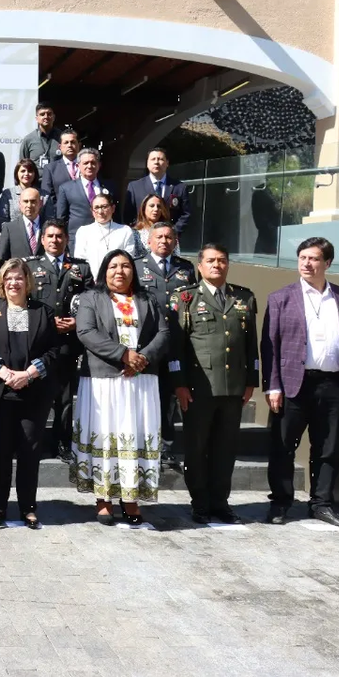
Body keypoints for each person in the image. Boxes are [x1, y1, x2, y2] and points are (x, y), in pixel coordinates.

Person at [261, 237, 339, 528]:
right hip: (294, 384)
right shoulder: (280, 298)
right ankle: (280, 503)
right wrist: (273, 385)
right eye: (302, 258)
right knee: (283, 446)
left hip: (334, 385)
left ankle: (321, 503)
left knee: (328, 447)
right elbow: (269, 345)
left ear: (328, 263)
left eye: (314, 259)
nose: (307, 264)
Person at [73, 249, 171, 526]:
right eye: (114, 266)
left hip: (140, 382)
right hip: (104, 382)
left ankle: (130, 498)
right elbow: (86, 332)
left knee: (134, 435)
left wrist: (142, 359)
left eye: (126, 266)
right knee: (107, 436)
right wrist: (123, 354)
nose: (120, 271)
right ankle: (103, 498)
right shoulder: (92, 298)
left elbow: (163, 333)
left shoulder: (147, 298)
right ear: (104, 271)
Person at [169, 243, 258, 525]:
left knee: (226, 448)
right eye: (210, 261)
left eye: (221, 260)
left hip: (233, 389)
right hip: (198, 388)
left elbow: (250, 345)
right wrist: (179, 384)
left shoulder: (244, 298)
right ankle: (200, 503)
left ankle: (220, 502)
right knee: (197, 447)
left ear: (228, 264)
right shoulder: (185, 298)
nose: (216, 265)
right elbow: (176, 347)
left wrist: (251, 381)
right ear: (200, 266)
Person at [0, 258, 60, 528]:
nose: (14, 283)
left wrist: (29, 374)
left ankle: (28, 507)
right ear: (2, 282)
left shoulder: (43, 312)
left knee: (29, 452)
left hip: (33, 392)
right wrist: (3, 373)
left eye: (19, 278)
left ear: (28, 282)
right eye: (8, 278)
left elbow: (53, 350)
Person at [25, 220, 94, 462]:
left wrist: (78, 322)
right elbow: (23, 302)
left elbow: (90, 302)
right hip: (39, 341)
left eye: (60, 236)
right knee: (36, 393)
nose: (55, 240)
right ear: (42, 239)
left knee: (64, 397)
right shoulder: (30, 267)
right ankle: (34, 440)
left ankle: (63, 442)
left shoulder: (81, 269)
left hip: (67, 341)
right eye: (50, 236)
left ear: (66, 240)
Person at [135, 222, 196, 468]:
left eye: (169, 237)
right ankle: (140, 444)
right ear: (148, 241)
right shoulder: (137, 266)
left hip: (177, 343)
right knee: (144, 396)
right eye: (159, 237)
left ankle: (166, 447)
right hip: (146, 343)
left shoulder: (186, 268)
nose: (164, 241)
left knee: (170, 397)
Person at [55, 148, 118, 251]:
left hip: (107, 240)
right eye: (85, 163)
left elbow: (116, 214)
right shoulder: (66, 188)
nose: (90, 166)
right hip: (77, 242)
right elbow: (61, 219)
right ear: (78, 165)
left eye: (93, 162)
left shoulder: (110, 186)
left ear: (99, 165)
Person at [124, 146, 192, 233]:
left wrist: (173, 231)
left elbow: (186, 214)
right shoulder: (135, 186)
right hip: (141, 236)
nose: (156, 162)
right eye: (153, 159)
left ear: (167, 163)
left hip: (169, 239)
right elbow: (128, 214)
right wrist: (139, 231)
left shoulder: (179, 187)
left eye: (160, 159)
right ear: (147, 163)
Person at [73, 191, 136, 280]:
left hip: (117, 280)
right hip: (91, 282)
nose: (100, 211)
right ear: (92, 211)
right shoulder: (83, 231)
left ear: (113, 208)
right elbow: (80, 261)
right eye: (97, 207)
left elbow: (128, 260)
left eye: (104, 207)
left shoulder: (125, 231)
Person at [38, 130, 81, 220]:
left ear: (79, 145)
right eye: (66, 142)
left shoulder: (87, 166)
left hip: (83, 218)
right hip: (60, 219)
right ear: (60, 147)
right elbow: (47, 197)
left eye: (73, 142)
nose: (69, 145)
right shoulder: (50, 169)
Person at [0, 188, 43, 261]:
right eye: (25, 201)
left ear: (40, 203)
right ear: (20, 204)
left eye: (33, 201)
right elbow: (1, 258)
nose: (29, 205)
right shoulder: (9, 228)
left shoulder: (48, 228)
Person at [131, 193, 180, 257]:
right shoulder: (135, 233)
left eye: (159, 206)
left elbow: (176, 255)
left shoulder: (170, 231)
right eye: (152, 206)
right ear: (144, 209)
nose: (156, 209)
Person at [18, 102, 62, 174]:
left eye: (49, 114)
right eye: (42, 114)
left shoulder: (63, 138)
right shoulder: (28, 140)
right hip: (36, 183)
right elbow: (22, 165)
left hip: (57, 183)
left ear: (54, 117)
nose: (46, 117)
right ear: (37, 118)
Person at [0, 158, 40, 227]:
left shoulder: (44, 196)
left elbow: (49, 220)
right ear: (17, 173)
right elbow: (2, 220)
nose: (26, 174)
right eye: (23, 171)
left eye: (30, 171)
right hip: (13, 235)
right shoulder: (8, 194)